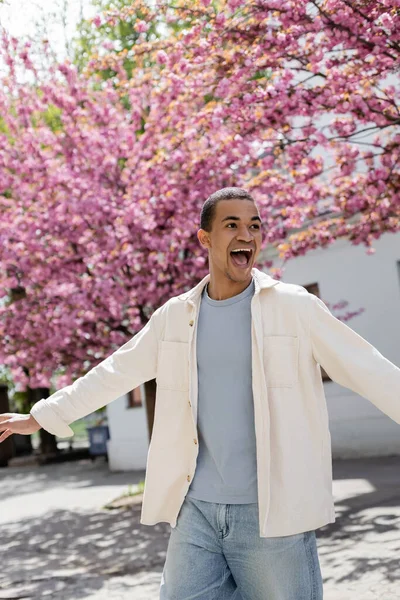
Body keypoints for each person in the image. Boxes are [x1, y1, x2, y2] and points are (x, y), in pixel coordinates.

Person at [1, 186, 400, 600]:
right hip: (196, 511)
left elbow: (366, 367)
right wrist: (42, 415)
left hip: (270, 513)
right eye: (232, 225)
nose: (246, 235)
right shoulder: (175, 317)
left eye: (254, 226)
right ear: (205, 238)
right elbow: (115, 371)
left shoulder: (294, 307)